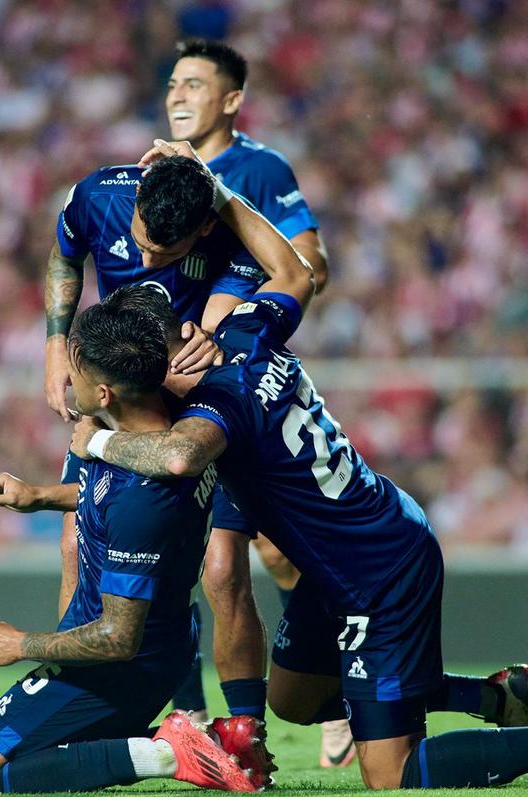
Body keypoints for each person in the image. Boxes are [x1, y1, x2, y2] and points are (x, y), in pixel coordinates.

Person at [71, 141, 528, 790]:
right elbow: (294, 271)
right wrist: (220, 194)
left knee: (390, 774)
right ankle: (491, 698)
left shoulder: (214, 405)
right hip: (347, 551)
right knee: (294, 699)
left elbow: (177, 455)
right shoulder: (248, 328)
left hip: (379, 570)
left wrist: (96, 443)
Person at [0, 288, 265, 794]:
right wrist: (39, 496)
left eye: (75, 371)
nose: (65, 380)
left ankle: (168, 751)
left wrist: (18, 643)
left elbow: (118, 637)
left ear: (103, 394)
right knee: (45, 759)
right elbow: (111, 495)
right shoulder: (155, 433)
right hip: (164, 643)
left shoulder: (140, 496)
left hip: (121, 665)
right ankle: (208, 743)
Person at [42, 138, 273, 738]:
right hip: (127, 395)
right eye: (139, 241)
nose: (144, 263)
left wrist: (214, 331)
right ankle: (91, 694)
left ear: (199, 231)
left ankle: (247, 729)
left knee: (221, 570)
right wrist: (54, 345)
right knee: (75, 546)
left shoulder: (227, 224)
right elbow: (65, 257)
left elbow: (271, 276)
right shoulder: (96, 194)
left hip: (199, 403)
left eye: (162, 251)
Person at [162, 37, 346, 759]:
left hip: (238, 391)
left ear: (232, 99)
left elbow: (313, 267)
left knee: (263, 554)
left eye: (195, 85)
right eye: (172, 84)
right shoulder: (158, 173)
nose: (177, 96)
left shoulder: (259, 168)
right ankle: (216, 725)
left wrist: (234, 323)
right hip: (180, 396)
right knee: (203, 566)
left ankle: (327, 684)